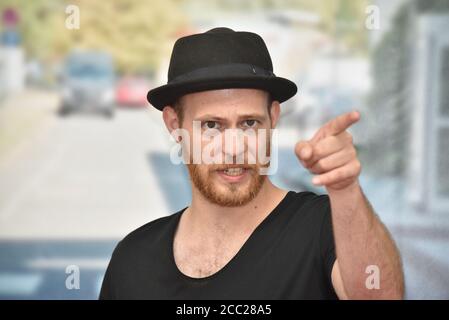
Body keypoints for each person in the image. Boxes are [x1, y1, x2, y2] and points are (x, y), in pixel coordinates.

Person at [100, 27, 404, 299]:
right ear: (173, 123)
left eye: (249, 123)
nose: (234, 149)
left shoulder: (324, 228)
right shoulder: (134, 259)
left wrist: (345, 189)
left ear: (273, 118)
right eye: (211, 126)